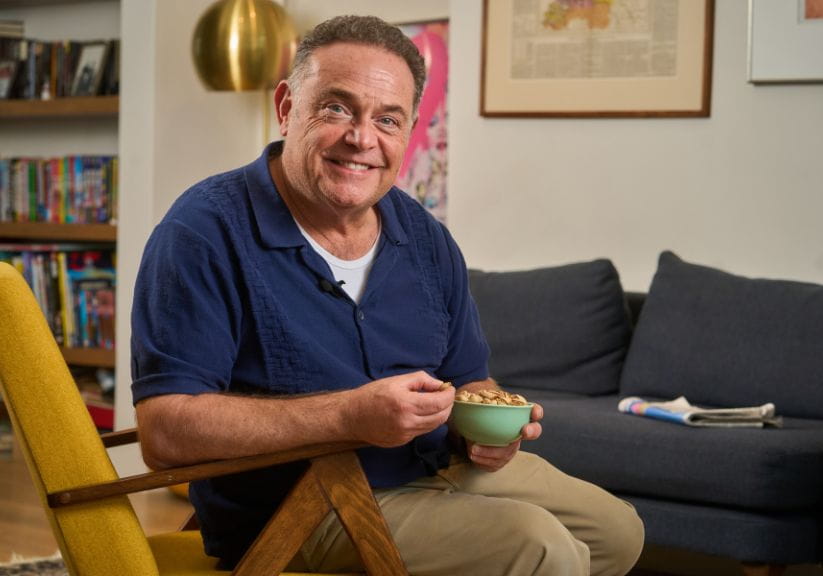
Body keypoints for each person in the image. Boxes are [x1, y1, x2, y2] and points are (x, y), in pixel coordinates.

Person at [131, 14, 644, 576]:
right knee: (540, 547)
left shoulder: (425, 237)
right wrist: (349, 415)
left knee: (617, 532)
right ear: (286, 107)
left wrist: (489, 429)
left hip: (431, 465)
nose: (362, 138)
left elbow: (470, 379)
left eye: (387, 119)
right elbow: (165, 431)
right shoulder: (203, 232)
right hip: (301, 506)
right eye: (336, 108)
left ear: (409, 131)